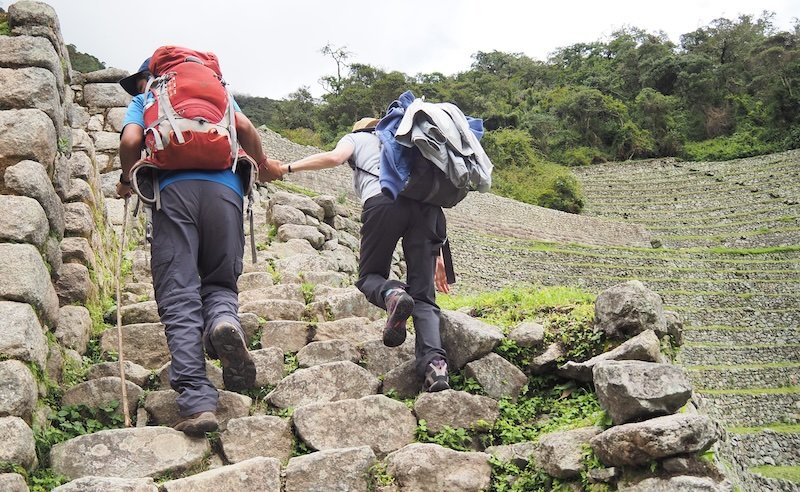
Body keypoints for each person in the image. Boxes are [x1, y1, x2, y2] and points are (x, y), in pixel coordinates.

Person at [117, 55, 282, 435]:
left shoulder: (149, 97)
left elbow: (130, 140)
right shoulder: (219, 92)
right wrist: (265, 164)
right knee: (221, 282)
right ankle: (223, 322)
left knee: (179, 293)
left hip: (174, 194)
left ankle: (196, 400)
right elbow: (244, 127)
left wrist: (128, 179)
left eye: (139, 81)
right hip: (226, 193)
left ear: (149, 76)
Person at [281, 117, 450, 392]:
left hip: (384, 201)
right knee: (424, 296)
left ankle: (392, 295)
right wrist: (439, 251)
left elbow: (335, 158)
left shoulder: (357, 138)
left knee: (370, 276)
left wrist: (286, 167)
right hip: (428, 211)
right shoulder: (410, 143)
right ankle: (435, 367)